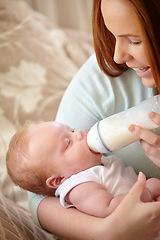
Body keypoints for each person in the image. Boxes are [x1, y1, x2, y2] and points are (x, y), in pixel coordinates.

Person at [28, 0, 160, 239]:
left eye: (135, 40)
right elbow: (40, 193)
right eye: (112, 35)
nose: (118, 55)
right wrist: (107, 231)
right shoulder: (104, 79)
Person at [6, 121, 160, 218]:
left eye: (72, 130)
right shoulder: (79, 186)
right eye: (68, 143)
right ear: (59, 180)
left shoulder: (95, 164)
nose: (79, 134)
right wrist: (148, 191)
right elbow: (111, 210)